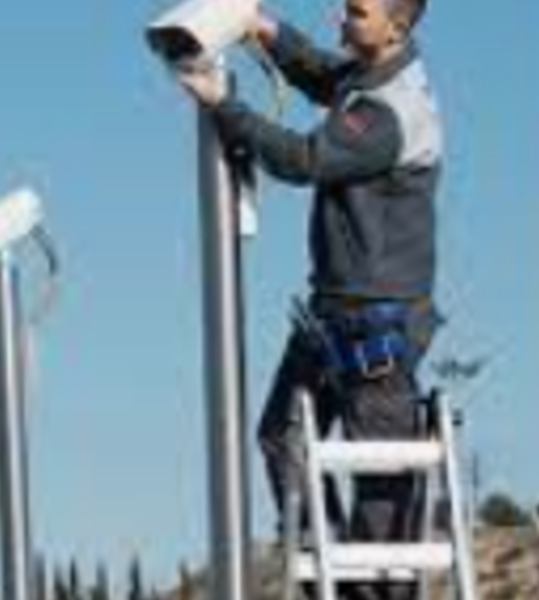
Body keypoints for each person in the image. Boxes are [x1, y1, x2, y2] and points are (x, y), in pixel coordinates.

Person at [176, 0, 442, 598]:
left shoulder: (390, 112)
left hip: (376, 323)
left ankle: (364, 591)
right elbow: (322, 72)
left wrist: (223, 105)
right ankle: (333, 575)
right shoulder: (367, 78)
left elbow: (304, 160)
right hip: (335, 314)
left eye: (357, 11)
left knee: (379, 492)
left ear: (396, 26)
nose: (340, 18)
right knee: (282, 437)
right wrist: (264, 28)